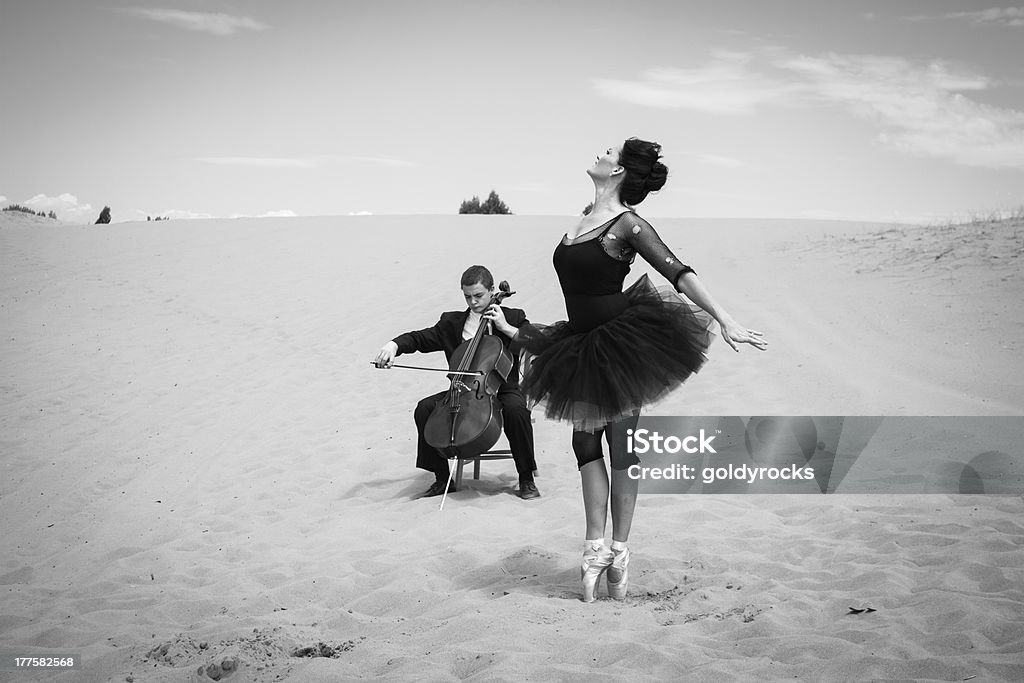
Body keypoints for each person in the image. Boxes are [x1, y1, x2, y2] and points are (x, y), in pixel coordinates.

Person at [514, 138, 767, 602]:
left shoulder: (628, 224)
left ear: (619, 172)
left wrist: (726, 319)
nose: (600, 152)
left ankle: (620, 552)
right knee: (583, 443)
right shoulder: (583, 218)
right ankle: (594, 551)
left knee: (621, 446)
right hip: (578, 342)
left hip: (622, 344)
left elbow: (678, 271)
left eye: (608, 152)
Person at [373, 265, 540, 500]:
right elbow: (420, 338)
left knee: (516, 410)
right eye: (467, 296)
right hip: (464, 390)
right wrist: (393, 346)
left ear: (493, 291)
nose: (473, 302)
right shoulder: (452, 323)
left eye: (478, 296)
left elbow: (537, 343)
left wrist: (506, 328)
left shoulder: (513, 316)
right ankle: (443, 478)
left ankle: (526, 478)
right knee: (425, 408)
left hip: (504, 388)